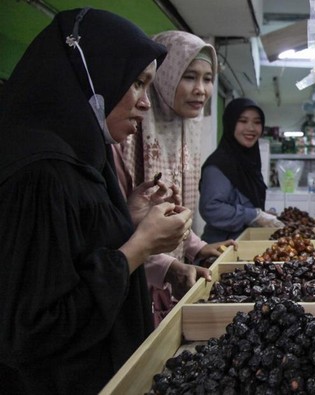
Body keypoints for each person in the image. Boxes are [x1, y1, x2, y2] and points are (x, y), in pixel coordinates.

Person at [0, 8, 193, 393]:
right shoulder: (40, 174)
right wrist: (138, 248)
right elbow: (33, 330)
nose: (146, 103)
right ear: (95, 76)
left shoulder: (88, 156)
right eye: (136, 83)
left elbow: (75, 251)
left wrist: (126, 219)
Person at [118, 31, 235, 323]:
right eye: (189, 76)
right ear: (165, 76)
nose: (201, 90)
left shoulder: (187, 130)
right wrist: (166, 266)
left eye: (208, 79)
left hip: (169, 283)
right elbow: (117, 224)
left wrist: (195, 245)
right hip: (128, 287)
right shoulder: (125, 133)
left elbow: (171, 210)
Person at [199, 97, 284, 242]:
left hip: (244, 244)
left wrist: (263, 216)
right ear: (230, 123)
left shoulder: (249, 161)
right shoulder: (219, 164)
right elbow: (211, 208)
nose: (251, 128)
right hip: (221, 249)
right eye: (243, 121)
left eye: (257, 122)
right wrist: (253, 215)